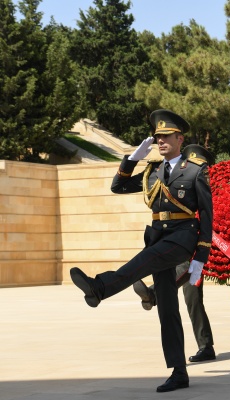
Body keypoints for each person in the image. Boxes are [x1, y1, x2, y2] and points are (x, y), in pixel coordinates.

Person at [69, 109, 213, 392]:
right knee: (168, 309)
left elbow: (207, 215)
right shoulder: (152, 170)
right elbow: (117, 187)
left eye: (166, 137)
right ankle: (178, 372)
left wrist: (201, 257)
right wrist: (131, 159)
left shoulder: (195, 170)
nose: (160, 142)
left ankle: (100, 287)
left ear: (179, 138)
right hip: (158, 234)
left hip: (183, 236)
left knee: (143, 261)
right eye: (157, 137)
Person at [132, 144, 217, 364]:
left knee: (191, 296)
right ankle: (205, 345)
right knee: (191, 295)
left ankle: (153, 294)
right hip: (183, 241)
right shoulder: (179, 179)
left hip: (202, 245)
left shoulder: (204, 182)